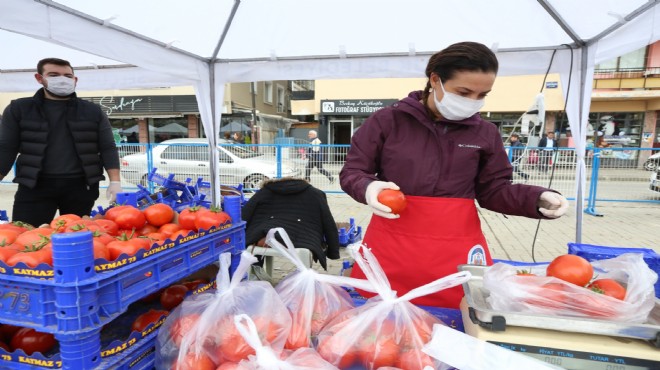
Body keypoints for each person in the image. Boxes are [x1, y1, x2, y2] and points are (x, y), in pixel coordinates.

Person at [339, 42, 569, 309]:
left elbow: (493, 190)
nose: (472, 101)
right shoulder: (388, 121)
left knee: (460, 316)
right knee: (383, 319)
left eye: (482, 94)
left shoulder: (484, 133)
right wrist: (369, 188)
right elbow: (354, 171)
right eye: (463, 92)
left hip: (456, 249)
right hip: (393, 244)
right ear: (435, 79)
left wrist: (536, 198)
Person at [0, 58, 122, 227]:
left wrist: (115, 181)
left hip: (81, 186)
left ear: (75, 80)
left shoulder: (92, 111)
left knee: (78, 238)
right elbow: (6, 148)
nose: (62, 79)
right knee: (28, 237)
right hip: (34, 186)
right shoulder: (19, 109)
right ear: (39, 78)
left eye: (67, 75)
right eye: (54, 75)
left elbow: (107, 147)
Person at [241, 177, 340, 270]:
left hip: (267, 235)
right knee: (303, 253)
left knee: (256, 239)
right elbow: (329, 224)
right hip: (306, 238)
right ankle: (303, 278)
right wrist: (333, 252)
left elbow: (245, 214)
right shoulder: (315, 193)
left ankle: (256, 273)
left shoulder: (264, 192)